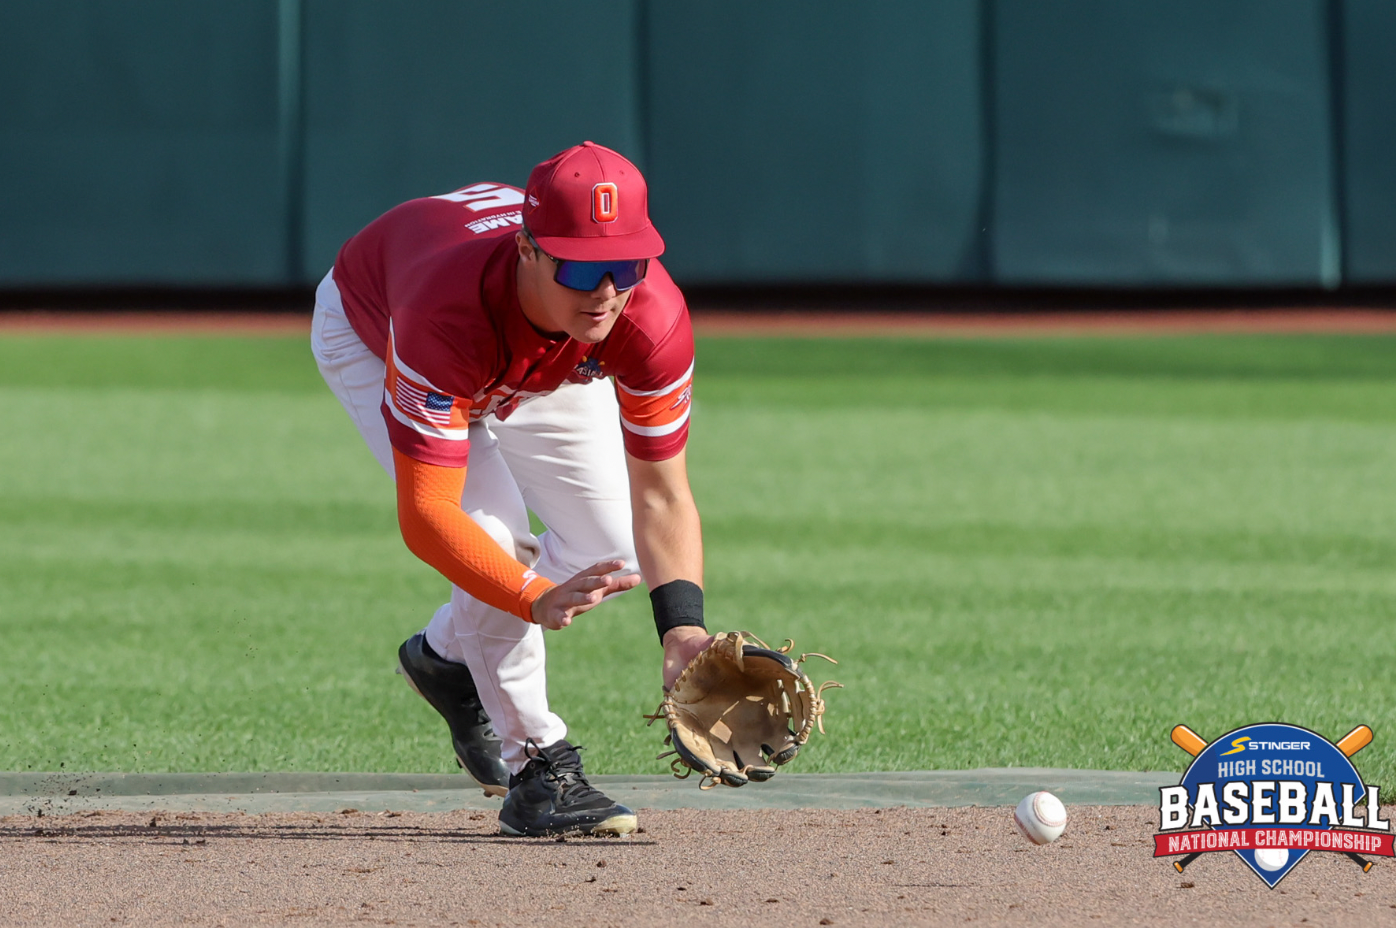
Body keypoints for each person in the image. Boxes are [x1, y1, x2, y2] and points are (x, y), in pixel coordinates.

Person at [310, 142, 713, 837]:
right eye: (584, 266)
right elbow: (429, 513)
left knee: (614, 550)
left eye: (627, 263)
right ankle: (539, 771)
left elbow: (663, 496)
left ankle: (443, 657)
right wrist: (528, 595)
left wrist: (682, 629)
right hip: (376, 329)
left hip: (543, 357)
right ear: (528, 249)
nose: (606, 289)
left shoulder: (649, 318)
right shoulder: (444, 316)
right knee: (496, 544)